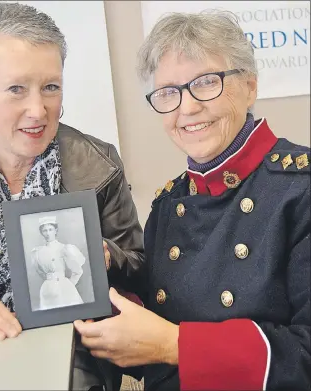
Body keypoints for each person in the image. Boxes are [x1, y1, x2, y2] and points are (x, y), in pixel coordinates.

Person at [0, 3, 145, 391]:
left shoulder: (99, 166)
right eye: (17, 88)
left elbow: (142, 268)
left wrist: (106, 257)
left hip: (77, 366)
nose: (39, 110)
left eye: (51, 87)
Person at [74, 10, 310, 391]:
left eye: (205, 83)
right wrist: (102, 274)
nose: (187, 108)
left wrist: (174, 345)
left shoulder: (301, 190)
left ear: (250, 86)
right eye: (168, 92)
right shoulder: (168, 205)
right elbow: (150, 326)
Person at [31, 216, 85, 310]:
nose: (48, 233)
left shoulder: (63, 248)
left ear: (55, 230)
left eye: (50, 229)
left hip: (63, 287)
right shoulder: (38, 252)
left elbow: (78, 271)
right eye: (45, 230)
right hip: (47, 289)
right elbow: (39, 271)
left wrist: (69, 286)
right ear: (41, 233)